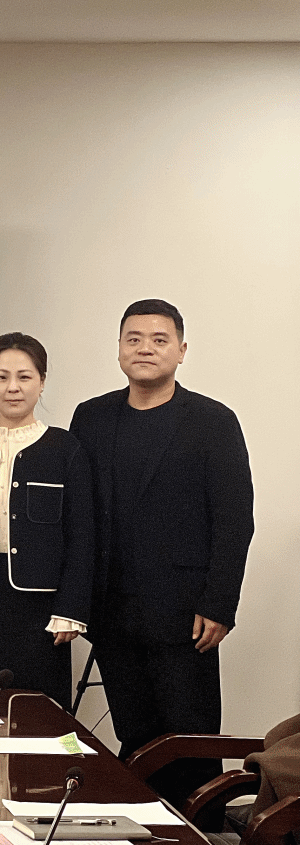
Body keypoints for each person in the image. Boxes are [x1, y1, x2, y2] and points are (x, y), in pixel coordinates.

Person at [70, 298, 254, 806]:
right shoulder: (91, 417)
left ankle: (202, 833)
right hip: (112, 612)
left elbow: (235, 520)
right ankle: (143, 830)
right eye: (134, 339)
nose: (145, 349)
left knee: (191, 739)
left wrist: (219, 603)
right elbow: (78, 514)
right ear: (119, 349)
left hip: (186, 615)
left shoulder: (213, 421)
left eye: (159, 340)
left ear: (181, 350)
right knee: (135, 736)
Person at [0, 332, 93, 708]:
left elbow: (82, 536)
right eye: (1, 377)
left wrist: (70, 609)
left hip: (42, 608)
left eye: (24, 377)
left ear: (41, 382)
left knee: (41, 711)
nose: (13, 387)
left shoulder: (66, 449)